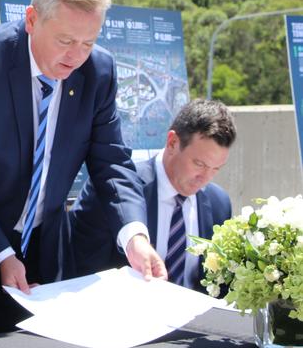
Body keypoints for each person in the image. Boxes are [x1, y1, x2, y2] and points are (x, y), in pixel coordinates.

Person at [0, 0, 165, 333]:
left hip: (48, 248)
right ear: (32, 20)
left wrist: (134, 235)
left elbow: (112, 163)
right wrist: (2, 255)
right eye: (65, 41)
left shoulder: (98, 72)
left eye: (88, 42)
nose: (76, 56)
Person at [69, 99, 237, 291]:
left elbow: (219, 286)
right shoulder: (113, 190)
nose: (205, 178)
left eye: (216, 169)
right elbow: (83, 273)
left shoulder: (219, 204)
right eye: (199, 164)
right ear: (172, 142)